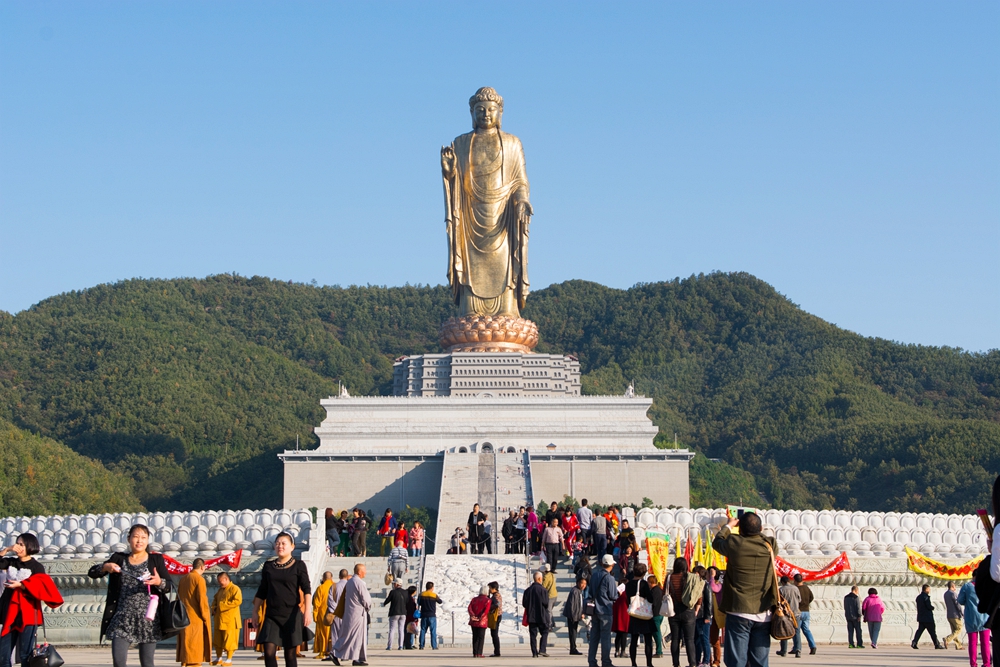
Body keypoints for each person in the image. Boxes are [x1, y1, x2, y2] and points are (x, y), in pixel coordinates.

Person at [89, 524, 172, 667]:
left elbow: (168, 586)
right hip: (122, 618)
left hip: (148, 620)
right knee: (119, 662)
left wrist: (159, 582)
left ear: (147, 541)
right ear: (129, 539)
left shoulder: (155, 560)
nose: (139, 541)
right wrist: (105, 567)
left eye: (143, 538)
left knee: (147, 663)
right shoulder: (118, 558)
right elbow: (92, 572)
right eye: (136, 537)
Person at [711, 511, 777, 667]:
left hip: (739, 610)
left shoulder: (734, 543)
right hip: (763, 612)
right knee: (760, 661)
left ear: (739, 529)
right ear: (761, 528)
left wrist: (729, 525)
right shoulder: (770, 545)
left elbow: (717, 542)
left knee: (736, 661)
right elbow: (762, 536)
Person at [0, 533, 62, 667]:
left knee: (25, 654)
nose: (18, 547)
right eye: (17, 544)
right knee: (3, 655)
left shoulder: (36, 567)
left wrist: (21, 585)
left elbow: (41, 587)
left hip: (28, 614)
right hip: (10, 613)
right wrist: (6, 550)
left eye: (21, 544)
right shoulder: (11, 562)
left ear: (30, 546)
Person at [252, 532, 312, 667]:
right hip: (272, 615)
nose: (280, 546)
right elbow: (262, 591)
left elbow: (307, 589)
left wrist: (307, 611)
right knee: (268, 652)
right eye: (277, 543)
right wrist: (255, 612)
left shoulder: (299, 565)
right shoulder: (268, 566)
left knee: (290, 655)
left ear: (292, 547)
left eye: (283, 543)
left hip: (291, 615)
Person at [331, 563, 371, 666]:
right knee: (353, 636)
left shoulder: (349, 582)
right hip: (357, 613)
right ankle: (335, 652)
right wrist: (368, 607)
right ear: (359, 572)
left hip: (350, 612)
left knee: (351, 635)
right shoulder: (359, 583)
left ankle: (356, 657)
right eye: (364, 570)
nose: (365, 572)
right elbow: (366, 599)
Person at [177, 558, 212, 667]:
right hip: (195, 617)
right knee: (194, 647)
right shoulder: (199, 579)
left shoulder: (183, 579)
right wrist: (206, 616)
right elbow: (202, 600)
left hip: (183, 617)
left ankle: (185, 662)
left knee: (186, 644)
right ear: (202, 567)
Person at [667, 557, 700, 667]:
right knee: (690, 639)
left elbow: (665, 593)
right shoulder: (691, 577)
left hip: (674, 610)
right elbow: (698, 594)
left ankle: (676, 663)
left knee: (675, 639)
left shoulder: (669, 577)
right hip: (688, 610)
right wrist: (696, 609)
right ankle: (693, 663)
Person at [589, 554, 620, 667]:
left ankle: (592, 660)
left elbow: (591, 592)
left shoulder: (594, 575)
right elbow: (613, 595)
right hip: (606, 609)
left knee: (594, 637)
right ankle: (606, 661)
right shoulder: (609, 578)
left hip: (595, 610)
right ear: (611, 565)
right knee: (605, 637)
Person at [957, 575, 991, 667]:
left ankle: (973, 663)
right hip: (985, 618)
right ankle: (987, 663)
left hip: (971, 617)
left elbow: (960, 600)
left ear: (973, 576)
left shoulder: (967, 586)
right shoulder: (986, 585)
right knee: (985, 643)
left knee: (972, 643)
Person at [626, 564, 656, 667]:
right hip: (644, 614)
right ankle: (649, 663)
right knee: (648, 639)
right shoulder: (643, 583)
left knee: (634, 639)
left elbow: (627, 599)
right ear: (644, 573)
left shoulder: (628, 584)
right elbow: (650, 599)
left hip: (634, 614)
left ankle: (633, 663)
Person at [211, 571, 242, 667]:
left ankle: (229, 659)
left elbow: (238, 601)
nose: (219, 583)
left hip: (230, 620)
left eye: (221, 581)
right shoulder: (220, 590)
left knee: (229, 641)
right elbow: (214, 601)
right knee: (218, 640)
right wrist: (213, 608)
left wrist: (221, 606)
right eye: (218, 581)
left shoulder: (234, 588)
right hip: (219, 619)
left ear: (226, 579)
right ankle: (218, 658)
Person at [523, 570, 551, 658]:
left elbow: (524, 604)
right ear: (539, 579)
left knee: (533, 635)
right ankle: (542, 649)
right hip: (541, 615)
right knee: (545, 631)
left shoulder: (527, 591)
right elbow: (546, 603)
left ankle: (534, 653)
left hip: (531, 616)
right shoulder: (543, 590)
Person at [775, 575, 801, 658]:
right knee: (797, 631)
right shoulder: (795, 588)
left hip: (786, 614)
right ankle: (798, 649)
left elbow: (779, 602)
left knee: (784, 631)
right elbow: (799, 600)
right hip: (796, 613)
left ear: (782, 582)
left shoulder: (781, 590)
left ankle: (783, 650)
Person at [311, 572, 335, 659]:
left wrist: (315, 615)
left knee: (322, 634)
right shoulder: (335, 586)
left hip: (323, 614)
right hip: (334, 614)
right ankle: (331, 651)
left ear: (323, 578)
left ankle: (322, 652)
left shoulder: (321, 588)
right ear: (331, 578)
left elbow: (316, 604)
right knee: (331, 634)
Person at [326, 570, 350, 654]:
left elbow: (330, 600)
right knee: (346, 634)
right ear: (347, 576)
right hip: (347, 613)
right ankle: (344, 653)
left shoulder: (334, 586)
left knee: (335, 634)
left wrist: (336, 610)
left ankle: (334, 653)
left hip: (336, 614)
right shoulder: (349, 586)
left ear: (339, 576)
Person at [914, 584, 944, 649]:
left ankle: (914, 642)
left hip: (921, 617)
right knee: (932, 632)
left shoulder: (918, 597)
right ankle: (937, 644)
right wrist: (932, 607)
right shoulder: (926, 597)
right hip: (927, 618)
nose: (929, 590)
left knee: (919, 631)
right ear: (926, 589)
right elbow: (928, 606)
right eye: (929, 589)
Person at [794, 574, 816, 655]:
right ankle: (813, 646)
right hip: (806, 611)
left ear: (795, 581)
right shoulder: (806, 588)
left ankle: (797, 648)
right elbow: (812, 597)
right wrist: (806, 603)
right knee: (806, 630)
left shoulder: (796, 589)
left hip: (799, 611)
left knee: (797, 631)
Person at [564, 577, 587, 656]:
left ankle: (573, 647)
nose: (583, 585)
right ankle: (573, 648)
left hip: (576, 614)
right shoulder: (575, 591)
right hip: (572, 615)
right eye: (582, 583)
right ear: (578, 583)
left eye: (585, 584)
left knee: (574, 632)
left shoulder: (579, 591)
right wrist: (574, 616)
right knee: (572, 632)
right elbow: (572, 605)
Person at [695, 567, 714, 664]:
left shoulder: (706, 585)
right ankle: (697, 660)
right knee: (697, 640)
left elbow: (709, 602)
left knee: (704, 639)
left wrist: (707, 616)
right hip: (697, 617)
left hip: (703, 616)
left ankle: (706, 661)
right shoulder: (696, 585)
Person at [708, 566, 725, 667]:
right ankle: (708, 660)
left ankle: (716, 661)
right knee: (706, 640)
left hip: (715, 615)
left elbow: (713, 588)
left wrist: (712, 577)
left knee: (714, 640)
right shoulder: (706, 584)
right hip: (707, 614)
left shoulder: (719, 585)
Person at [383, 581, 407, 651]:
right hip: (403, 613)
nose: (393, 585)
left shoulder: (393, 592)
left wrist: (384, 603)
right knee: (401, 630)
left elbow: (387, 600)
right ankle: (401, 646)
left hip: (394, 612)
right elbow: (407, 601)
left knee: (392, 629)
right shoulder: (405, 592)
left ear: (396, 584)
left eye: (394, 584)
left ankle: (390, 646)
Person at [418, 581, 443, 650]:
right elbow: (440, 601)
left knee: (423, 630)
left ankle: (421, 645)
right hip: (432, 615)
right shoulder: (434, 595)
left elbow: (418, 602)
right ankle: (434, 646)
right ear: (432, 587)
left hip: (424, 615)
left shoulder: (421, 594)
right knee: (433, 631)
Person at [468, 585, 491, 658]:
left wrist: (473, 615)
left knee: (474, 636)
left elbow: (469, 608)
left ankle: (475, 653)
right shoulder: (488, 600)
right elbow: (486, 611)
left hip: (473, 621)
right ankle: (479, 653)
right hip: (482, 621)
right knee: (481, 637)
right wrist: (480, 617)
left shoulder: (474, 599)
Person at [647, 575, 665, 658]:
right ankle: (658, 650)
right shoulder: (659, 589)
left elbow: (653, 602)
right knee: (656, 632)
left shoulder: (654, 591)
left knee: (656, 633)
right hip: (659, 613)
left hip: (655, 614)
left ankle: (659, 651)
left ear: (651, 582)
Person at [944, 581, 965, 650]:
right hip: (955, 614)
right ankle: (947, 639)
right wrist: (962, 613)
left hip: (949, 614)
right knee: (959, 629)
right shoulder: (953, 594)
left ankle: (958, 645)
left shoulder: (946, 594)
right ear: (952, 586)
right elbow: (957, 604)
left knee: (954, 631)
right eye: (954, 586)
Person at [487, 581, 503, 657]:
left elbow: (497, 604)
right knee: (494, 634)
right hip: (497, 616)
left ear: (494, 588)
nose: (489, 590)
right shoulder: (494, 595)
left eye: (490, 588)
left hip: (496, 616)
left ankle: (497, 652)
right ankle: (496, 651)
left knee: (494, 634)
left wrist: (490, 607)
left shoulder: (496, 595)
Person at [404, 585, 418, 650]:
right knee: (409, 631)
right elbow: (411, 608)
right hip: (410, 616)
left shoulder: (408, 598)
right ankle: (408, 644)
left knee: (409, 630)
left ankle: (408, 644)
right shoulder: (410, 599)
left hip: (408, 616)